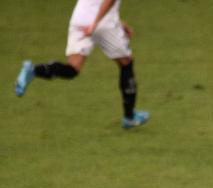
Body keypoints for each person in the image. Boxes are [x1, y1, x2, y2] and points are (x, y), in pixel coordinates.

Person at [14, 0, 149, 129]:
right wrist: (95, 24)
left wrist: (120, 24)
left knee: (73, 68)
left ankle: (33, 70)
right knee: (126, 62)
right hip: (100, 23)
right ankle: (129, 117)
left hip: (79, 18)